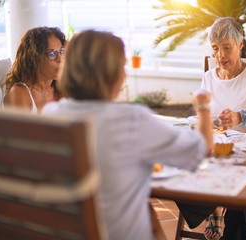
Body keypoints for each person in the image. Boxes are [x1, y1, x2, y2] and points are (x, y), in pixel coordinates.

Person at [41, 30, 213, 240]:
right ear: (112, 74)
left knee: (149, 215)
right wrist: (203, 105)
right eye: (122, 66)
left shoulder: (50, 115)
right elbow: (203, 149)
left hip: (68, 232)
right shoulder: (131, 120)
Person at [178, 17, 246, 240]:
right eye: (215, 49)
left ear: (240, 45)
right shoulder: (208, 78)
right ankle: (217, 206)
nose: (220, 55)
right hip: (218, 151)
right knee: (179, 168)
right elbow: (208, 120)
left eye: (226, 48)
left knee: (241, 187)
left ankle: (219, 207)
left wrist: (240, 116)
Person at [4, 27, 66, 114]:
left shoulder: (61, 89)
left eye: (61, 52)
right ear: (34, 58)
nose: (60, 59)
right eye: (52, 54)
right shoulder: (19, 93)